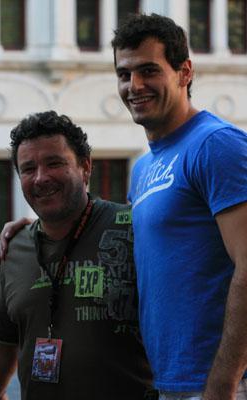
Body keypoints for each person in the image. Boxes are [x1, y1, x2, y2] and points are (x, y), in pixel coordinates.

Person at [111, 14, 247, 399]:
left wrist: (223, 384)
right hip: (170, 382)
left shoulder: (216, 145)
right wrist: (35, 232)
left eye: (149, 70)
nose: (135, 85)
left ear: (184, 72)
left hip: (220, 385)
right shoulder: (143, 168)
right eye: (124, 74)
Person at [0, 110, 153, 400]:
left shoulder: (135, 228)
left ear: (85, 167)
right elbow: (4, 344)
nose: (41, 178)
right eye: (28, 169)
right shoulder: (14, 247)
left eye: (54, 163)